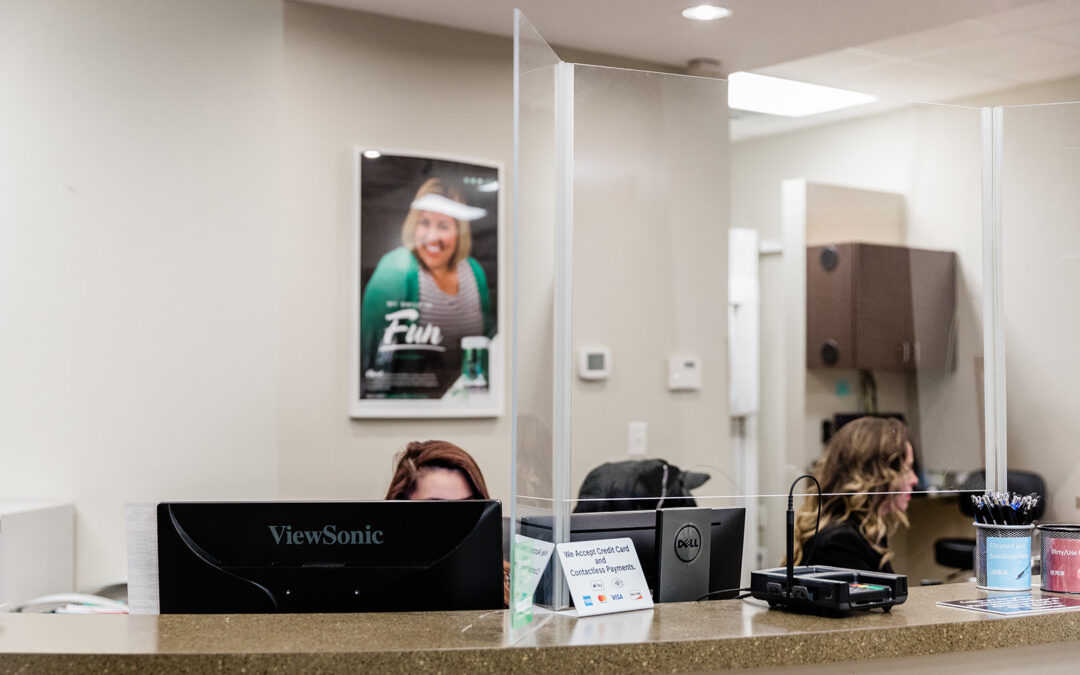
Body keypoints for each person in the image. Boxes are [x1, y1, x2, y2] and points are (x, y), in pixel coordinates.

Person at [360, 178, 495, 397]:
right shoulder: (396, 269)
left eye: (443, 226)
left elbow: (489, 346)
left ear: (459, 231)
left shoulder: (473, 270)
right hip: (409, 413)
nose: (432, 237)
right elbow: (369, 364)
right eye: (424, 223)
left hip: (466, 411)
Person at [385, 440, 509, 605]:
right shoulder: (381, 583)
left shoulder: (507, 581)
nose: (455, 523)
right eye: (437, 508)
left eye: (467, 506)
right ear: (400, 508)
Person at [791, 416, 919, 573]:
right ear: (874, 475)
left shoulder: (867, 529)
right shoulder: (840, 543)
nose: (915, 479)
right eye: (907, 468)